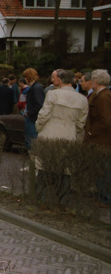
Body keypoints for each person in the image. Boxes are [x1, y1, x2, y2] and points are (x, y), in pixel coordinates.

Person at [35, 70, 89, 204]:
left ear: (61, 80)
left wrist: (39, 127)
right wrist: (72, 131)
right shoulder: (82, 99)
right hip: (69, 134)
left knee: (45, 167)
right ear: (73, 81)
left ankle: (41, 198)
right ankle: (63, 200)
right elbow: (81, 123)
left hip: (50, 131)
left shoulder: (53, 94)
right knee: (66, 169)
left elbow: (44, 114)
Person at [83, 69, 111, 205]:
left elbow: (105, 120)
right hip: (102, 139)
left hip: (101, 140)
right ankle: (101, 195)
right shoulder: (102, 95)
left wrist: (90, 133)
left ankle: (104, 198)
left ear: (96, 81)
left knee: (102, 169)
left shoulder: (103, 97)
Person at [22, 68, 45, 150]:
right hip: (32, 117)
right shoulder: (36, 87)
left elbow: (39, 104)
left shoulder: (35, 88)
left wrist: (29, 113)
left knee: (31, 143)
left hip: (32, 119)